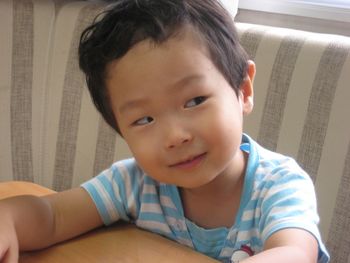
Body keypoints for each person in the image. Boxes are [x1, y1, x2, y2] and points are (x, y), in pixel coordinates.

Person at [0, 0, 329, 262]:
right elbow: (52, 215)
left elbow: (296, 251)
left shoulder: (279, 185)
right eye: (144, 120)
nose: (175, 136)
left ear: (243, 90)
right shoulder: (135, 184)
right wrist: (9, 222)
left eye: (195, 100)